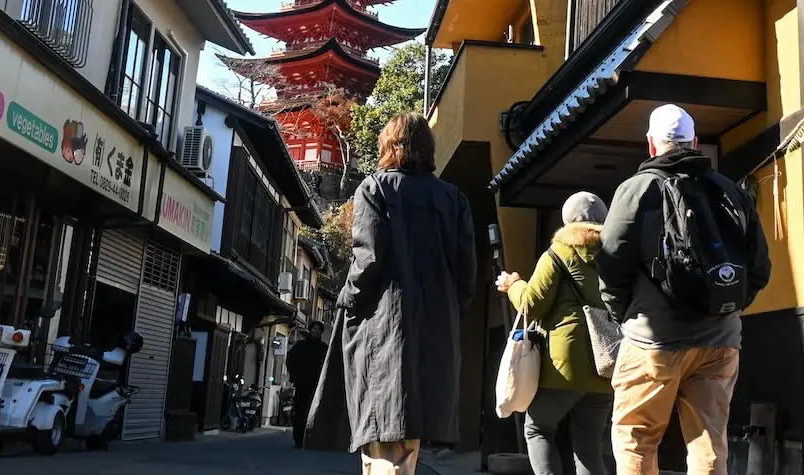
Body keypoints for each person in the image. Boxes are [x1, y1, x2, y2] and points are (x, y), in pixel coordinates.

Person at [598, 104, 771, 475]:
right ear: (695, 143)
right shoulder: (729, 191)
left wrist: (625, 314)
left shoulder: (635, 190)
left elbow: (611, 266)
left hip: (653, 341)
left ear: (651, 144)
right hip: (721, 342)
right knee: (709, 445)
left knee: (636, 439)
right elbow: (759, 268)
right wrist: (724, 307)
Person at [306, 113, 477, 475]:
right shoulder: (454, 198)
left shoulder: (374, 189)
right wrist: (447, 311)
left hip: (384, 328)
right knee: (407, 439)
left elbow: (367, 259)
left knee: (385, 434)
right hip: (434, 332)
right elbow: (467, 274)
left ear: (389, 145)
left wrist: (348, 299)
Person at [496, 191, 614, 475]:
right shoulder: (616, 257)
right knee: (589, 445)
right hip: (606, 366)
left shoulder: (559, 252)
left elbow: (530, 305)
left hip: (564, 365)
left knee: (537, 429)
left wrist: (513, 284)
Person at [287, 320, 328, 449]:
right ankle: (298, 439)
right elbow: (290, 360)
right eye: (314, 329)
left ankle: (312, 439)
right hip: (302, 384)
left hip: (317, 386)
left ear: (321, 332)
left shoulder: (324, 348)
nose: (316, 331)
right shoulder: (300, 346)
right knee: (300, 412)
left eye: (318, 329)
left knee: (315, 413)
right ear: (310, 330)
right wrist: (295, 376)